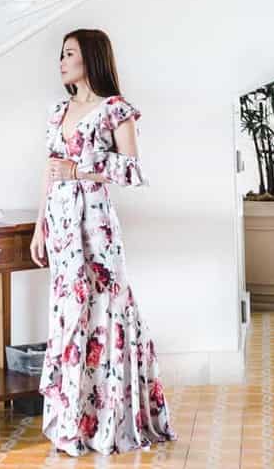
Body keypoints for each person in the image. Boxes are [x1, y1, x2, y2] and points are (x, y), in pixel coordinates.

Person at [30, 28, 176, 456]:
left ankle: (111, 420)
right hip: (60, 225)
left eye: (69, 53)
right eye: (61, 53)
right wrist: (40, 226)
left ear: (90, 58)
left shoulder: (116, 111)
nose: (61, 60)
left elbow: (132, 171)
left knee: (106, 309)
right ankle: (73, 422)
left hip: (95, 224)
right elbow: (49, 170)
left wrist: (81, 171)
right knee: (69, 313)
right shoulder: (58, 110)